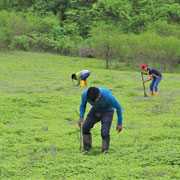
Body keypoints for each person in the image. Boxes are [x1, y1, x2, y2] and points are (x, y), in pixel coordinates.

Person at [78, 87, 123, 153]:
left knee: (104, 132)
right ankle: (87, 148)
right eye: (96, 100)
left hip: (107, 111)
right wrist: (81, 117)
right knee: (85, 127)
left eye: (98, 98)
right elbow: (83, 105)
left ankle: (105, 150)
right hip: (95, 109)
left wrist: (119, 123)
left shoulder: (108, 97)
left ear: (99, 95)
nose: (98, 99)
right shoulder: (85, 95)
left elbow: (118, 108)